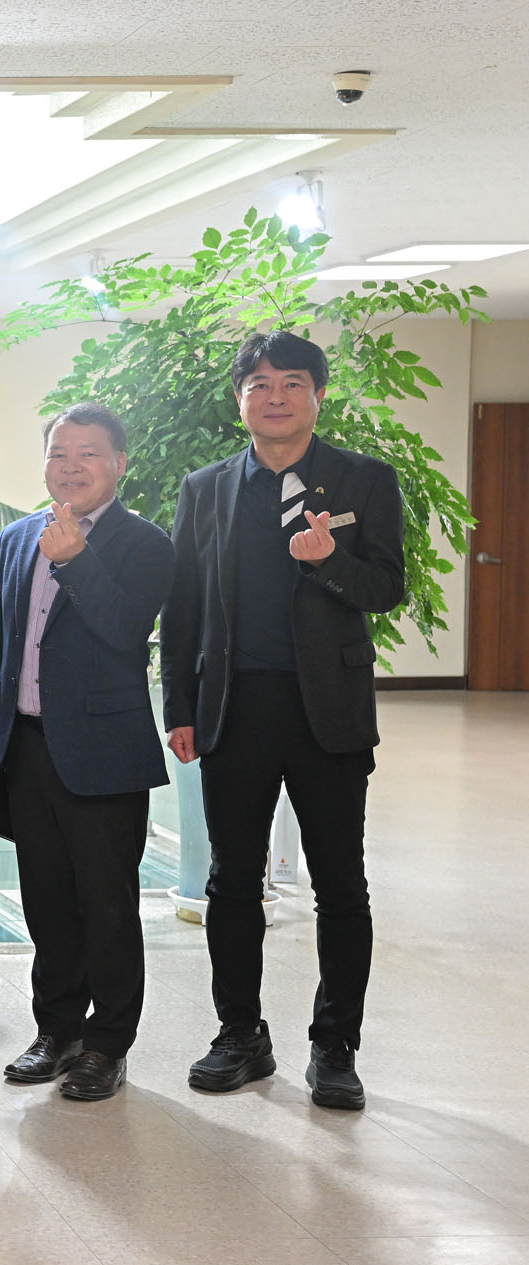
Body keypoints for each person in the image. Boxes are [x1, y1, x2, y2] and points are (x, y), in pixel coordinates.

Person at [163, 331, 405, 1110]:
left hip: (327, 712)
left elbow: (387, 589)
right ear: (240, 399)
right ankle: (241, 1034)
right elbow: (185, 605)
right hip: (234, 709)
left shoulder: (363, 480)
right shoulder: (205, 488)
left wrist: (328, 560)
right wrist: (180, 707)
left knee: (341, 886)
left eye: (292, 382)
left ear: (318, 395)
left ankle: (336, 1047)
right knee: (232, 881)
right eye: (259, 384)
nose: (275, 397)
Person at [0, 403, 174, 1101]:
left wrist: (77, 561)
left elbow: (126, 631)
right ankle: (56, 1031)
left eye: (89, 453)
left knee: (107, 906)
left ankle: (107, 1044)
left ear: (119, 464)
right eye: (59, 453)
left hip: (104, 751)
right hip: (26, 746)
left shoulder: (146, 544)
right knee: (47, 902)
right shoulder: (17, 537)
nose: (71, 466)